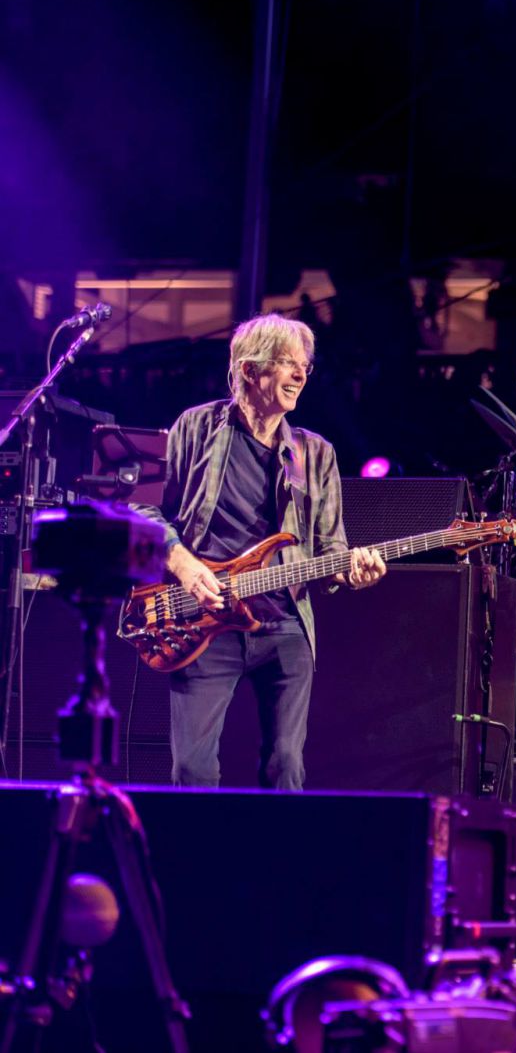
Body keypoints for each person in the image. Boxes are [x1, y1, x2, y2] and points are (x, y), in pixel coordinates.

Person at [135, 314, 385, 790]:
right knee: (192, 769)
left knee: (286, 765)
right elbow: (145, 512)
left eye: (305, 367)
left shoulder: (316, 454)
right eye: (289, 364)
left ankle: (275, 861)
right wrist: (185, 567)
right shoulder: (194, 427)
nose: (300, 376)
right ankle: (195, 863)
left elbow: (332, 549)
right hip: (202, 622)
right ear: (250, 370)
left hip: (285, 623)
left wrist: (351, 572)